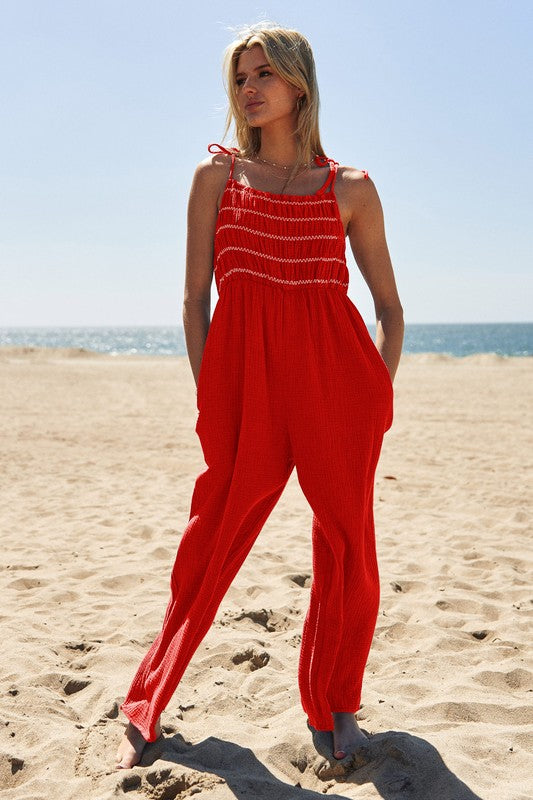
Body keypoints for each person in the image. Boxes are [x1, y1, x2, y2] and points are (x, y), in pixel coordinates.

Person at [115, 22, 404, 770]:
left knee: (349, 549)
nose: (247, 88)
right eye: (240, 77)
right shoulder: (217, 180)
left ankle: (336, 706)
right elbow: (192, 301)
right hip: (244, 390)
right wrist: (213, 393)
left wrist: (374, 390)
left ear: (298, 86)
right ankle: (148, 699)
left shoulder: (350, 189)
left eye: (262, 75)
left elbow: (389, 308)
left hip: (339, 391)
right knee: (210, 537)